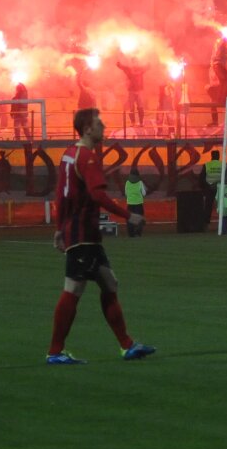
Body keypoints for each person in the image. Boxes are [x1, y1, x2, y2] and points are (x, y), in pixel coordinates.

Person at [46, 108, 154, 364]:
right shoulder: (88, 158)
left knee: (109, 284)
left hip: (80, 235)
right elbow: (98, 196)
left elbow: (61, 195)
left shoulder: (68, 155)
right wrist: (129, 216)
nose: (104, 126)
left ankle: (127, 345)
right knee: (73, 289)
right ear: (87, 129)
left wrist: (60, 229)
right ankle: (55, 352)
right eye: (99, 123)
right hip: (84, 236)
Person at [115, 59, 148, 127]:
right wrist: (119, 64)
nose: (134, 63)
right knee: (131, 108)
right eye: (133, 62)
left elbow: (147, 67)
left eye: (135, 61)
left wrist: (148, 63)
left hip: (139, 91)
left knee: (140, 107)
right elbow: (122, 67)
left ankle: (141, 123)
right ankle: (133, 123)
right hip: (131, 91)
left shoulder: (140, 68)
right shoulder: (129, 69)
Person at [202, 151, 223, 229]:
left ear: (211, 156)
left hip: (209, 188)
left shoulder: (207, 165)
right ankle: (223, 222)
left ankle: (206, 223)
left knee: (208, 206)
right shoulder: (223, 165)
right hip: (220, 188)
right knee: (222, 206)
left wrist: (205, 187)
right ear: (219, 156)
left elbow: (202, 178)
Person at [124, 167, 146, 237]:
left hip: (130, 204)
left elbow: (126, 193)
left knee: (130, 219)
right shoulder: (140, 182)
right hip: (138, 204)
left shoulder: (127, 182)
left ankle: (131, 234)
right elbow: (144, 193)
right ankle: (138, 233)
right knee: (139, 219)